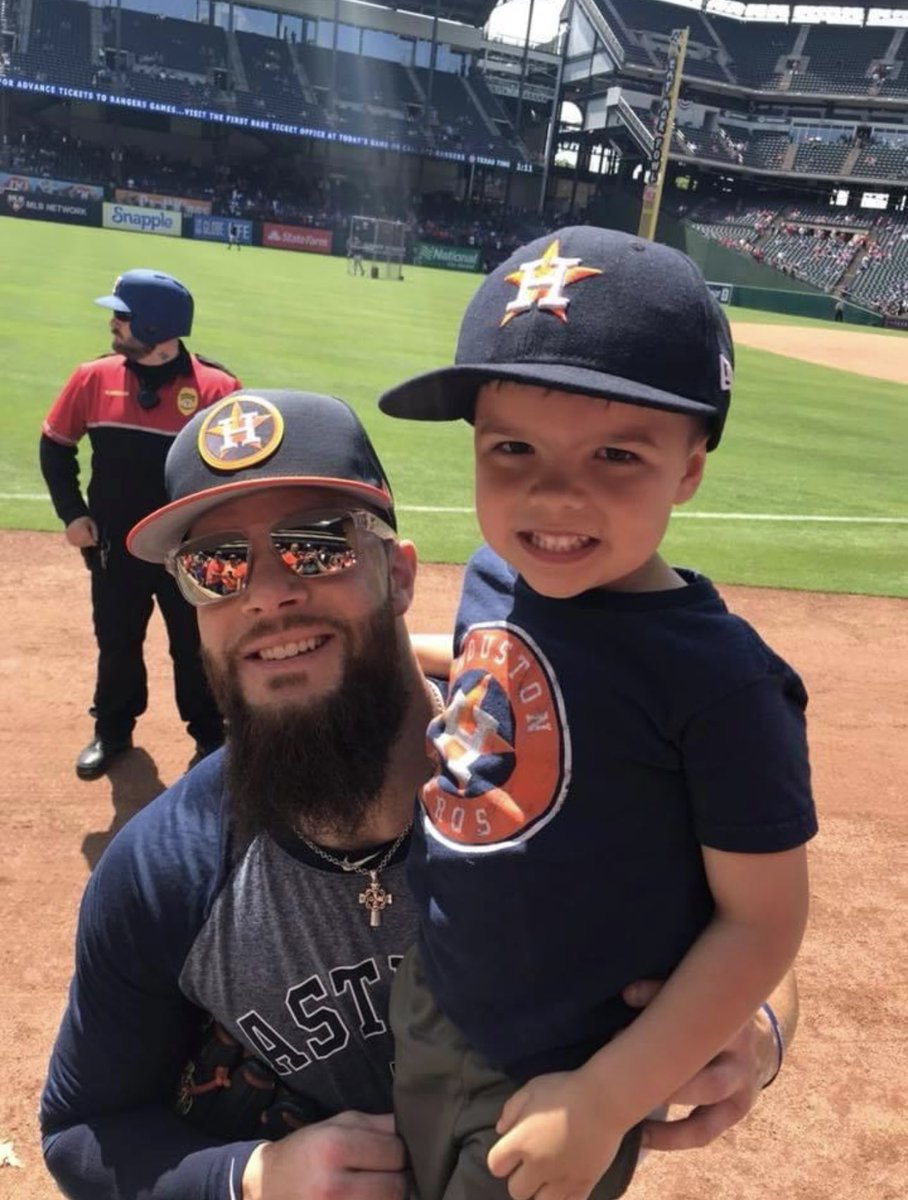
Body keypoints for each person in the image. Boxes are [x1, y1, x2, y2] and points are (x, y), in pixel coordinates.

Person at [41, 388, 798, 1200]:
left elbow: (748, 922)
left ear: (399, 575)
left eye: (316, 546)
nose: (264, 593)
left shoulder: (557, 771)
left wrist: (757, 1029)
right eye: (216, 565)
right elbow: (82, 1128)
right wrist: (254, 1177)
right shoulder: (163, 873)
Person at [378, 227, 816, 1200]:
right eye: (511, 447)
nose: (552, 492)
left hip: (557, 1067)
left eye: (616, 452)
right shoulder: (500, 573)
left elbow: (762, 923)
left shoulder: (724, 684)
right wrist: (385, 653)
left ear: (690, 469)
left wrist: (605, 1100)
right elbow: (510, 666)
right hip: (430, 996)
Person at [39, 268, 240, 780]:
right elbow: (55, 448)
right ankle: (112, 730)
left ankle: (211, 739)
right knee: (117, 640)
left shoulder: (217, 389)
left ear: (154, 326)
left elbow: (237, 473)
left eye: (122, 317)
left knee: (195, 648)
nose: (112, 324)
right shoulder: (92, 377)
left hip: (189, 552)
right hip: (114, 546)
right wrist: (73, 513)